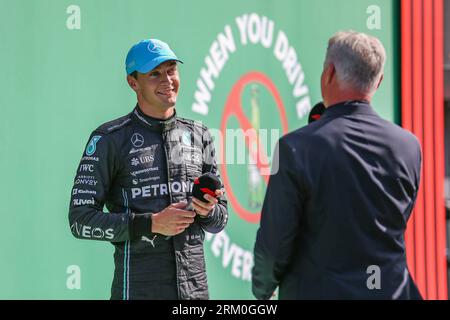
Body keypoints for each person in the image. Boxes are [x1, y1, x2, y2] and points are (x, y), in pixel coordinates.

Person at [252, 31, 422, 299]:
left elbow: (274, 242)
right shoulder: (409, 146)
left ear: (328, 73)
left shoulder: (294, 148)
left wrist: (262, 288)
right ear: (379, 81)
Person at [68, 38, 228, 300]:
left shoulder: (200, 135)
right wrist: (151, 224)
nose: (167, 80)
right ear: (133, 82)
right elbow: (80, 220)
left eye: (171, 70)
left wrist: (207, 210)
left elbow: (221, 219)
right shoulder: (109, 139)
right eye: (154, 74)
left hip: (195, 294)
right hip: (137, 291)